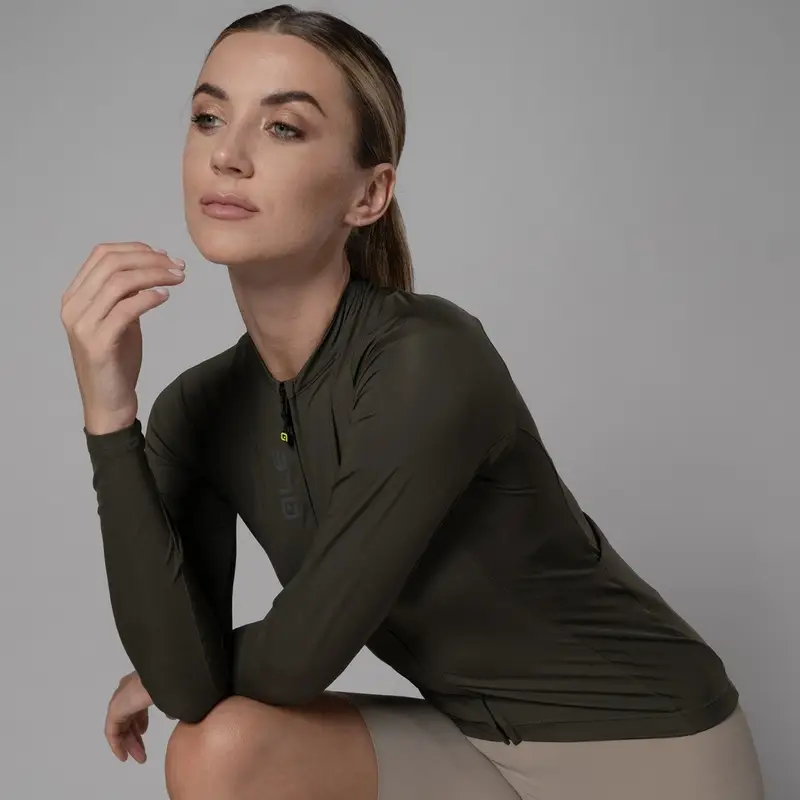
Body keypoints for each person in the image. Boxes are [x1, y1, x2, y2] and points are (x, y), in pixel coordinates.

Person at [60, 6, 765, 799]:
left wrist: (185, 668)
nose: (227, 154)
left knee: (225, 724)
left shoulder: (429, 357)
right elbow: (190, 691)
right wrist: (109, 416)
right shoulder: (197, 410)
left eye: (284, 128)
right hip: (473, 749)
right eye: (208, 117)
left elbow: (295, 661)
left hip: (645, 749)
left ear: (370, 193)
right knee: (216, 749)